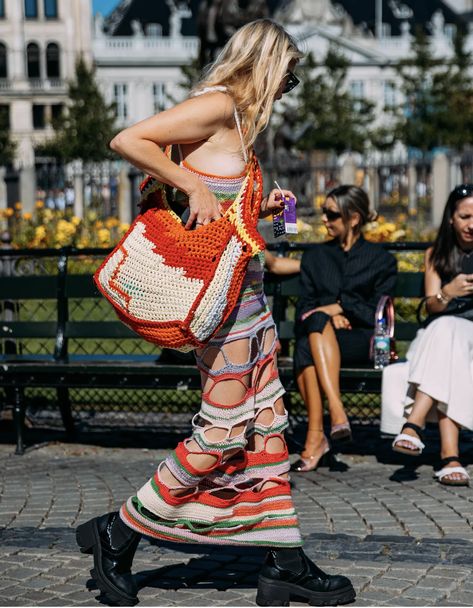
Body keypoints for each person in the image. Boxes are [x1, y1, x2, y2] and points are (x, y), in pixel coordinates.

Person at [75, 20, 355, 607]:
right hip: (220, 311)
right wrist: (188, 184)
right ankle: (118, 531)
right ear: (268, 64)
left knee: (267, 430)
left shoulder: (239, 126)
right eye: (290, 75)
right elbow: (128, 140)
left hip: (248, 304)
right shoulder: (217, 105)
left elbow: (227, 224)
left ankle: (284, 560)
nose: (289, 88)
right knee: (223, 432)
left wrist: (261, 206)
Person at [292, 186, 397, 472]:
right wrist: (328, 316)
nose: (325, 219)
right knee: (312, 330)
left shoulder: (381, 260)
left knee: (309, 339)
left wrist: (339, 307)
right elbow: (304, 311)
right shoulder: (315, 257)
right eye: (324, 212)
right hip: (320, 338)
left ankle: (316, 436)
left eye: (332, 214)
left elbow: (378, 314)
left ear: (354, 218)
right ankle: (334, 417)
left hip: (363, 340)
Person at [391, 184, 473, 486]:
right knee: (446, 332)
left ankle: (413, 425)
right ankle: (450, 458)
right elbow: (431, 306)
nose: (471, 224)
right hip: (442, 336)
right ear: (451, 218)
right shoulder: (436, 254)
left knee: (447, 332)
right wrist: (448, 292)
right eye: (465, 216)